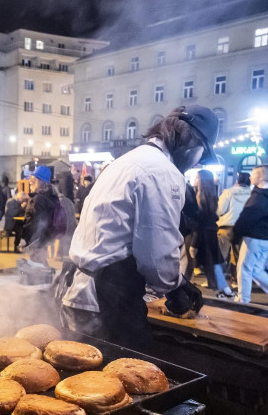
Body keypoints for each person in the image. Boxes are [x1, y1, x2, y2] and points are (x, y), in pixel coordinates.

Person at [58, 106, 218, 349]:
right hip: (106, 298)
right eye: (202, 155)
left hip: (81, 289)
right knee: (127, 375)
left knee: (86, 374)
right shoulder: (162, 172)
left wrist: (177, 282)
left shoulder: (127, 161)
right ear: (192, 143)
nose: (197, 163)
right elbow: (156, 251)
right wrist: (174, 286)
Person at [192, 170, 234, 298]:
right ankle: (224, 290)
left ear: (202, 181)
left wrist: (194, 243)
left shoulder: (199, 197)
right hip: (211, 234)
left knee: (211, 264)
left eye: (197, 177)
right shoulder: (212, 194)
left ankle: (225, 291)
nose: (194, 179)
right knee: (213, 264)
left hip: (203, 235)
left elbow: (199, 222)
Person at [233, 165, 268, 303]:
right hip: (263, 238)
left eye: (253, 174)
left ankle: (243, 299)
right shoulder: (262, 195)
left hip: (254, 238)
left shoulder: (259, 196)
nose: (250, 177)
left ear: (260, 177)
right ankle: (243, 298)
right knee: (256, 270)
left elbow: (246, 218)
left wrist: (236, 235)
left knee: (245, 269)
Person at [22, 166, 64, 266]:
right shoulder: (51, 196)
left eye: (33, 179)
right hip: (45, 239)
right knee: (41, 264)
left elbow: (36, 223)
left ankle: (46, 277)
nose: (30, 182)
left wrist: (29, 240)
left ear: (39, 181)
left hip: (37, 240)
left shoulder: (38, 199)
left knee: (37, 266)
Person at [217, 171, 252, 277]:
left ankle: (218, 280)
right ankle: (236, 279)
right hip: (243, 228)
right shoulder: (252, 194)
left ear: (237, 180)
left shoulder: (228, 192)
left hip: (226, 226)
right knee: (238, 255)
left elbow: (220, 210)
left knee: (221, 254)